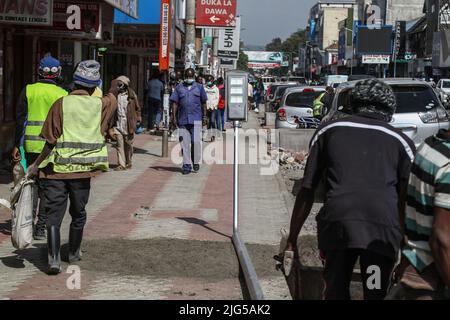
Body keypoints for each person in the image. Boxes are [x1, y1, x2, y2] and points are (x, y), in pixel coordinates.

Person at [283, 79, 416, 300]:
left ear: (352, 103)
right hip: (380, 234)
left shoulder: (329, 130)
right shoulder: (401, 142)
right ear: (390, 109)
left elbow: (307, 189)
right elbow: (404, 202)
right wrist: (407, 251)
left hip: (339, 228)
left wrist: (292, 239)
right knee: (374, 290)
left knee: (336, 288)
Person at [27, 60, 118, 275]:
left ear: (73, 82)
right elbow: (112, 96)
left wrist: (35, 165)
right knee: (78, 213)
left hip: (56, 172)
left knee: (53, 215)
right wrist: (115, 86)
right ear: (94, 86)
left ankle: (53, 260)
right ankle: (74, 252)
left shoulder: (61, 104)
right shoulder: (101, 104)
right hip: (82, 172)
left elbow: (50, 140)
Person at [11, 55, 68, 240]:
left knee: (31, 184)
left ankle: (26, 222)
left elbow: (20, 120)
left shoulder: (28, 90)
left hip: (30, 145)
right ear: (58, 72)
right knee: (47, 187)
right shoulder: (63, 94)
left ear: (39, 71)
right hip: (51, 147)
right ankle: (41, 226)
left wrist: (16, 146)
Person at [389, 129, 450, 300]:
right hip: (434, 276)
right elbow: (441, 240)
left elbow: (403, 200)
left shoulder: (429, 146)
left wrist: (407, 247)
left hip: (415, 263)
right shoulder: (448, 166)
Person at [170, 68, 208, 175]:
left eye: (190, 76)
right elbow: (175, 103)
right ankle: (186, 165)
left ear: (194, 77)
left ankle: (195, 160)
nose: (188, 78)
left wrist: (205, 116)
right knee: (184, 144)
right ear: (184, 76)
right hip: (183, 120)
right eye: (187, 76)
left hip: (196, 119)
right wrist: (173, 117)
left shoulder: (199, 88)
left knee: (195, 143)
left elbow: (204, 102)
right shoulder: (179, 88)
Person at [112, 76, 141, 171]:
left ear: (125, 84)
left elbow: (137, 108)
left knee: (128, 145)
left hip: (128, 124)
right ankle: (121, 164)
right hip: (118, 124)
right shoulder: (115, 95)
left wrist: (137, 119)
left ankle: (128, 161)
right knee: (119, 145)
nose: (118, 86)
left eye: (120, 84)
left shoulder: (132, 96)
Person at [204, 75, 221, 142]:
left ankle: (213, 135)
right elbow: (204, 98)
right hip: (207, 108)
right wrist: (207, 106)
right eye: (208, 80)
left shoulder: (216, 89)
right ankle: (209, 134)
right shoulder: (205, 88)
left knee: (213, 121)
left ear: (212, 80)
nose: (209, 82)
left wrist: (213, 106)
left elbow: (217, 98)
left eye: (210, 80)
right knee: (208, 122)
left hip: (213, 108)